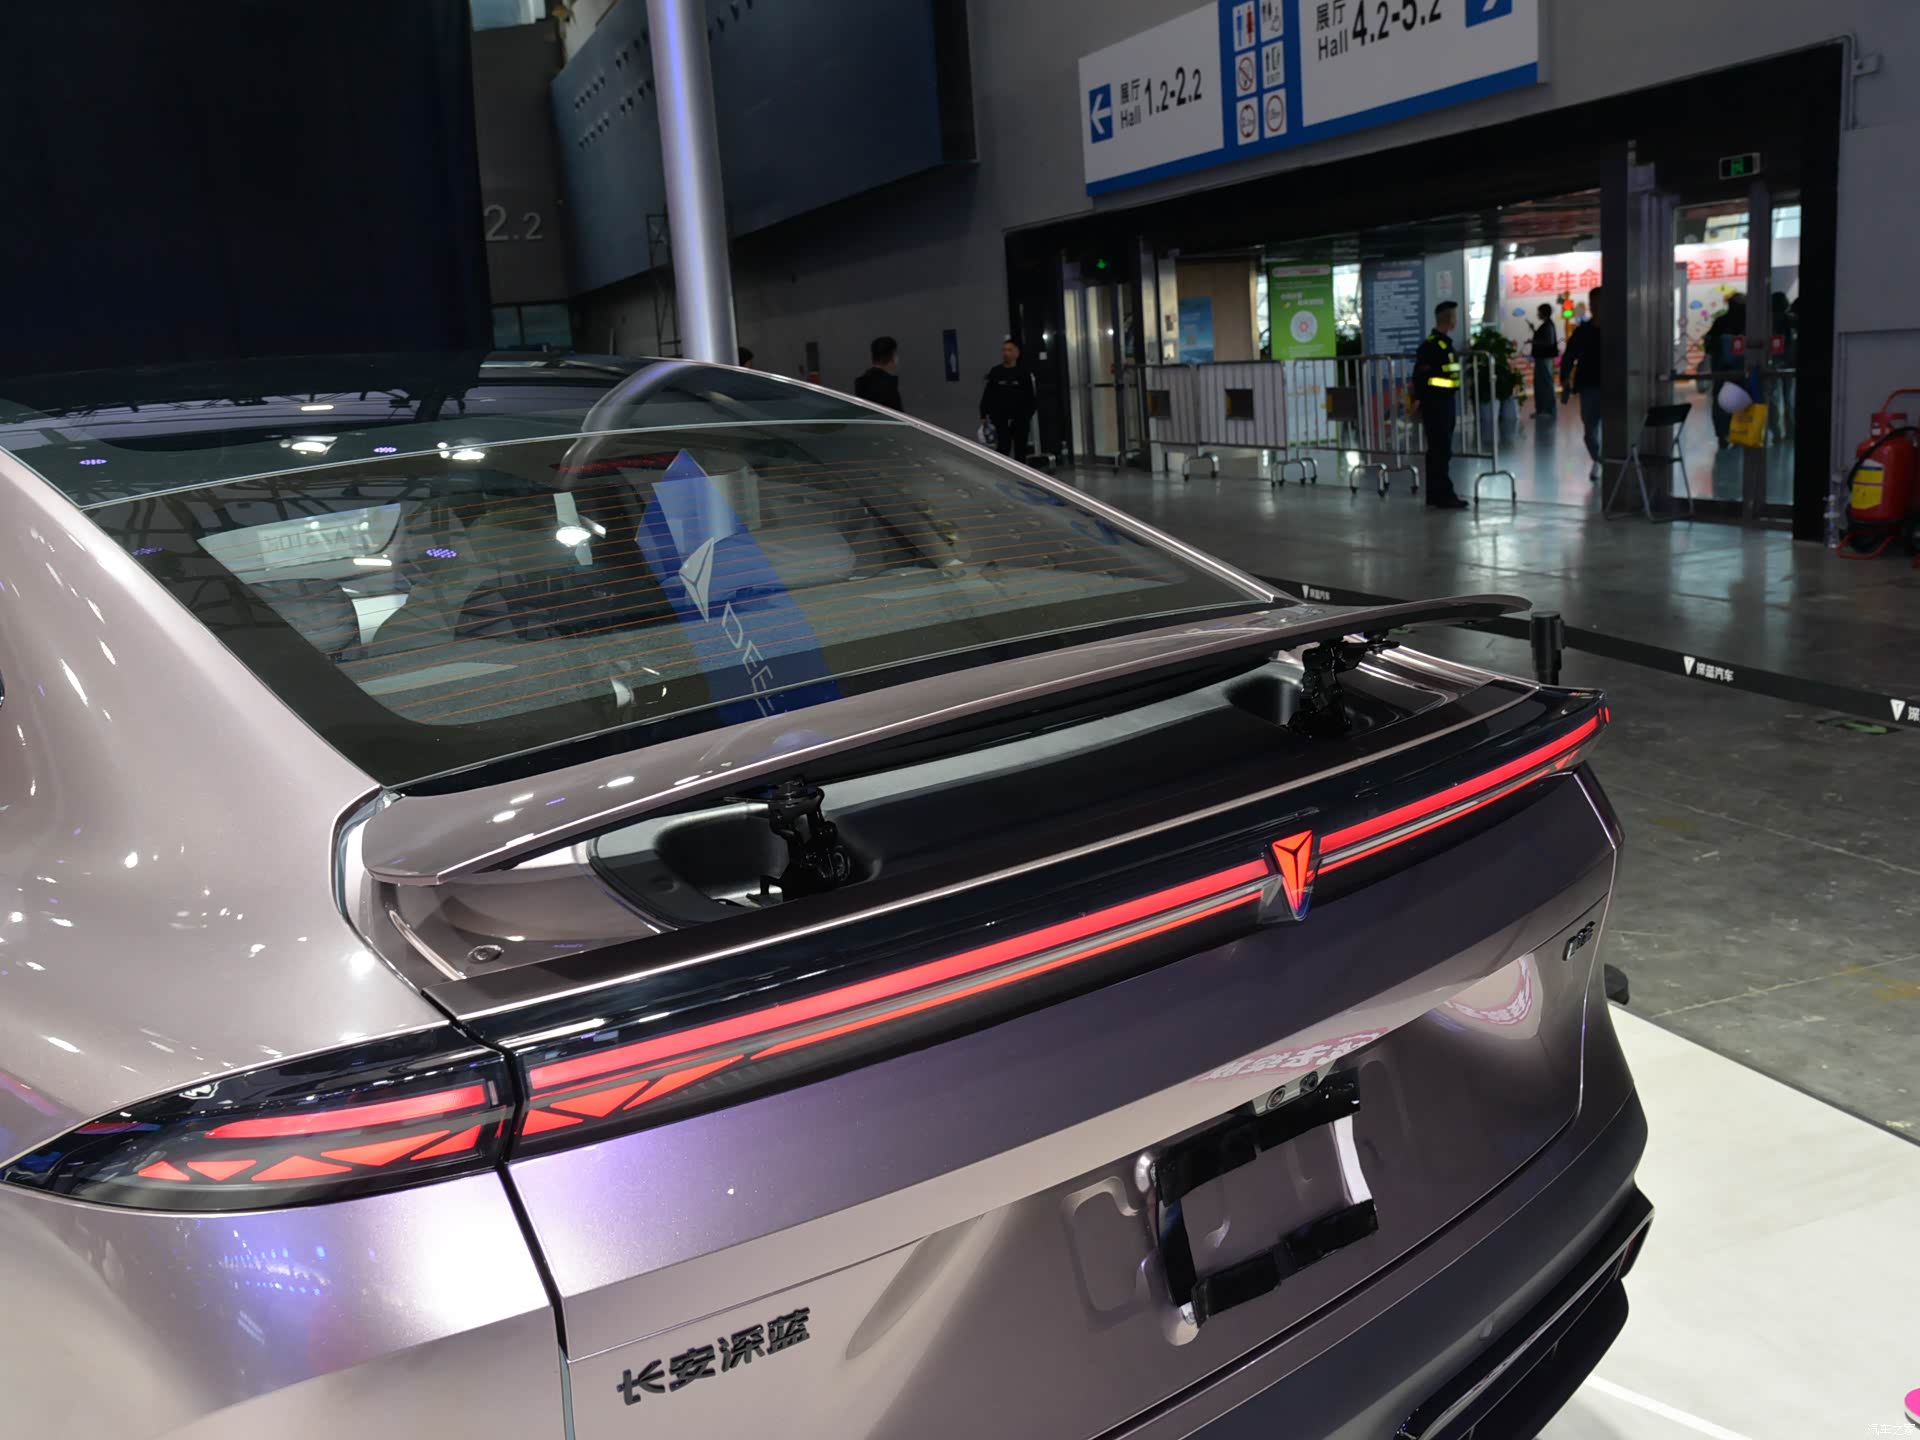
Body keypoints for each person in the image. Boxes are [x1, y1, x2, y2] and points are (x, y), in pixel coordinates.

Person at [1411, 301, 1468, 509]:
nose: (1456, 320)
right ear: (1450, 320)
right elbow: (1421, 376)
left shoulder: (1442, 344)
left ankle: (1435, 494)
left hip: (1443, 402)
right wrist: (1420, 398)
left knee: (1439, 450)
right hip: (1437, 404)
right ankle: (1443, 494)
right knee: (1440, 450)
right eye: (1455, 316)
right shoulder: (1432, 346)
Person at [1559, 286, 1605, 481]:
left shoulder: (1617, 330)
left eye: (1598, 302)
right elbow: (1569, 356)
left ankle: (1605, 463)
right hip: (1589, 385)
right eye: (1592, 303)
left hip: (1613, 386)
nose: (1595, 306)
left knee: (1612, 429)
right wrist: (1565, 380)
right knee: (1589, 431)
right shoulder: (1583, 331)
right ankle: (1599, 460)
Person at [979, 337, 1037, 463]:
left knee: (1020, 449)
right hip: (1000, 417)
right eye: (1004, 350)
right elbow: (988, 394)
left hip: (1020, 417)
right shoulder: (996, 372)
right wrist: (983, 414)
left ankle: (1021, 472)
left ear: (1017, 353)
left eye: (1009, 350)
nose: (1006, 353)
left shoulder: (1023, 373)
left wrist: (1027, 414)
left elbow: (1030, 397)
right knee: (1003, 447)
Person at [1701, 294, 1745, 448]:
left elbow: (1708, 345)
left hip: (1721, 370)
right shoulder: (1749, 322)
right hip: (1741, 371)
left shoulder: (1721, 321)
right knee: (1741, 401)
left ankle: (1722, 434)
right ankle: (1739, 433)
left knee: (1720, 402)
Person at [854, 336, 904, 412]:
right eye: (895, 354)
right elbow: (897, 414)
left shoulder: (862, 382)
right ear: (892, 357)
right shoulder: (888, 385)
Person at [1529, 302, 1560, 419]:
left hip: (1544, 358)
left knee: (1545, 384)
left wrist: (1534, 342)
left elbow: (1548, 342)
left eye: (1539, 312)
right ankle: (1543, 409)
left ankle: (1547, 410)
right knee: (1542, 383)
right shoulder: (1547, 325)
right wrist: (1534, 331)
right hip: (1542, 358)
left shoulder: (1548, 326)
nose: (1538, 314)